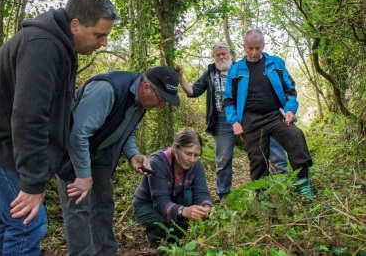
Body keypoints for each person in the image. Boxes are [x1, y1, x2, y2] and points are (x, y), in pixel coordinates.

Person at [0, 0, 119, 255]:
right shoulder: (42, 47)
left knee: (13, 219)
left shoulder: (62, 46)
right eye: (99, 35)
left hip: (10, 138)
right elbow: (29, 118)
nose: (104, 43)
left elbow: (52, 112)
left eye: (107, 35)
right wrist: (33, 184)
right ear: (76, 24)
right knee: (28, 222)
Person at [56, 66, 181, 255]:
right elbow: (77, 135)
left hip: (99, 153)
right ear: (146, 86)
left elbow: (128, 130)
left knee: (103, 203)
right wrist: (83, 174)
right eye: (162, 99)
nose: (162, 105)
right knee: (78, 207)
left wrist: (133, 154)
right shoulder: (107, 89)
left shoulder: (141, 101)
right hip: (73, 152)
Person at [178, 42, 289, 200]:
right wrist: (180, 78)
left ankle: (272, 188)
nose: (222, 57)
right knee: (223, 159)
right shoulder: (210, 72)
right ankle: (224, 195)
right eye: (218, 54)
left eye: (224, 53)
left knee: (262, 151)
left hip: (247, 117)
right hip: (222, 120)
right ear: (214, 57)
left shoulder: (242, 68)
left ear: (231, 54)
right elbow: (193, 91)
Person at [223, 29, 315, 200]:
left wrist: (289, 110)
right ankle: (262, 197)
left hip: (274, 115)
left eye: (257, 48)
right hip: (250, 120)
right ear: (243, 47)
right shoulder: (235, 71)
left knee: (296, 136)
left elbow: (290, 90)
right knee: (258, 160)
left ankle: (304, 183)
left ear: (263, 46)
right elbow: (228, 100)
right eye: (250, 48)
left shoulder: (276, 64)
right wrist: (234, 122)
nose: (254, 53)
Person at [132, 127, 213, 245]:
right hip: (147, 204)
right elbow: (160, 201)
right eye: (188, 153)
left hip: (173, 199)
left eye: (196, 155)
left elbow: (202, 192)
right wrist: (183, 211)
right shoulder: (158, 162)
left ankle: (178, 229)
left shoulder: (196, 165)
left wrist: (206, 207)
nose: (192, 159)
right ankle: (153, 236)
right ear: (175, 148)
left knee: (188, 197)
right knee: (164, 228)